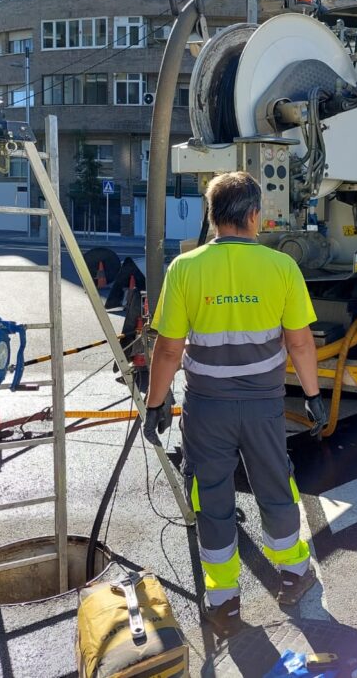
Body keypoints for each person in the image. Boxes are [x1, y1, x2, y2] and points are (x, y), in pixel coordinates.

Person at [144, 171, 328, 639]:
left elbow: (168, 349)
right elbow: (301, 343)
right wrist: (312, 396)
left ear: (212, 216)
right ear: (252, 216)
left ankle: (223, 602)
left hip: (206, 408)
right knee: (275, 486)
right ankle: (293, 573)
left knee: (212, 497)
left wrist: (156, 403)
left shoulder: (184, 268)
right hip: (264, 407)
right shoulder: (281, 268)